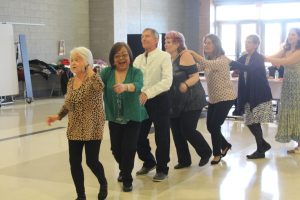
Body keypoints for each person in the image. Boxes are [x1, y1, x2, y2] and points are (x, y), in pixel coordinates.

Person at [47, 47, 107, 200]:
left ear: (87, 62)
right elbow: (69, 104)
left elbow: (100, 88)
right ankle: (81, 195)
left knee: (91, 161)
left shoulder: (94, 79)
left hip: (92, 126)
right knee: (74, 162)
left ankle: (103, 183)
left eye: (78, 59)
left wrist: (89, 70)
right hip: (74, 127)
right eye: (72, 59)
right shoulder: (71, 81)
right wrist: (58, 116)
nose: (73, 62)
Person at [100, 42, 148, 192]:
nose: (121, 58)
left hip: (133, 116)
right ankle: (124, 169)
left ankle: (127, 178)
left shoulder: (136, 72)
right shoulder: (107, 72)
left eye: (124, 55)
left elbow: (139, 85)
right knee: (116, 149)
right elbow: (96, 85)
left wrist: (125, 87)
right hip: (114, 117)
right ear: (113, 59)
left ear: (130, 57)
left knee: (129, 148)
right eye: (117, 55)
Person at [164, 31, 212, 168]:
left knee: (187, 129)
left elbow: (195, 76)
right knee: (177, 132)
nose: (166, 44)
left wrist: (185, 84)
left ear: (178, 43)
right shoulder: (167, 57)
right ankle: (184, 160)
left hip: (192, 98)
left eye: (169, 42)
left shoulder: (185, 55)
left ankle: (205, 152)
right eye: (165, 41)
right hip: (175, 99)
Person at [190, 34, 236, 165]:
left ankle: (217, 154)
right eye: (204, 43)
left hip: (226, 97)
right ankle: (225, 145)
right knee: (210, 126)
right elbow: (195, 68)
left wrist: (193, 53)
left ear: (216, 45)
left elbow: (205, 64)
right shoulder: (208, 59)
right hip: (214, 99)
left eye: (209, 43)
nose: (206, 45)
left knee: (214, 125)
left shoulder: (222, 60)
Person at [133, 28, 173, 181]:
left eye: (147, 36)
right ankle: (149, 161)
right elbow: (135, 80)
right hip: (141, 101)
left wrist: (148, 93)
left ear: (156, 40)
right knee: (138, 134)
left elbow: (167, 81)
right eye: (142, 36)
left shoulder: (164, 57)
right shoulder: (138, 59)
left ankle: (162, 168)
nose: (143, 39)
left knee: (161, 136)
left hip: (159, 99)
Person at [229, 34, 273, 159]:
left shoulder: (258, 58)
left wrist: (234, 63)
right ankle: (263, 145)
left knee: (255, 121)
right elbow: (233, 65)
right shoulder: (244, 57)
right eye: (246, 42)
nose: (246, 44)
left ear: (256, 44)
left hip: (259, 93)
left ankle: (261, 149)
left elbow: (249, 69)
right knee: (249, 121)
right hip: (248, 94)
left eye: (249, 42)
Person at [265, 28, 300, 153]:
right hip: (288, 83)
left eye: (293, 35)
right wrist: (260, 57)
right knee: (289, 109)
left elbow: (286, 61)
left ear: (298, 37)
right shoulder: (286, 49)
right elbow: (273, 57)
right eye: (290, 34)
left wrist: (269, 59)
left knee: (297, 110)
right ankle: (298, 142)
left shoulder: (298, 51)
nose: (291, 37)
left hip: (297, 83)